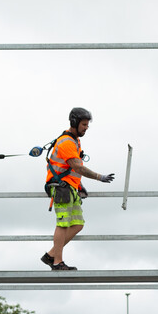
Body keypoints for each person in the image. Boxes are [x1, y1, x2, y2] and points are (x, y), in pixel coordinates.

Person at [40, 107, 115, 271]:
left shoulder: (75, 141)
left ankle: (51, 254)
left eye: (87, 125)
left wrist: (79, 184)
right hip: (61, 188)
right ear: (74, 122)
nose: (86, 128)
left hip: (70, 187)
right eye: (84, 124)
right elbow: (77, 167)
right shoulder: (67, 142)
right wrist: (99, 177)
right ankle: (57, 262)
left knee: (77, 224)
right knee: (63, 224)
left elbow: (72, 169)